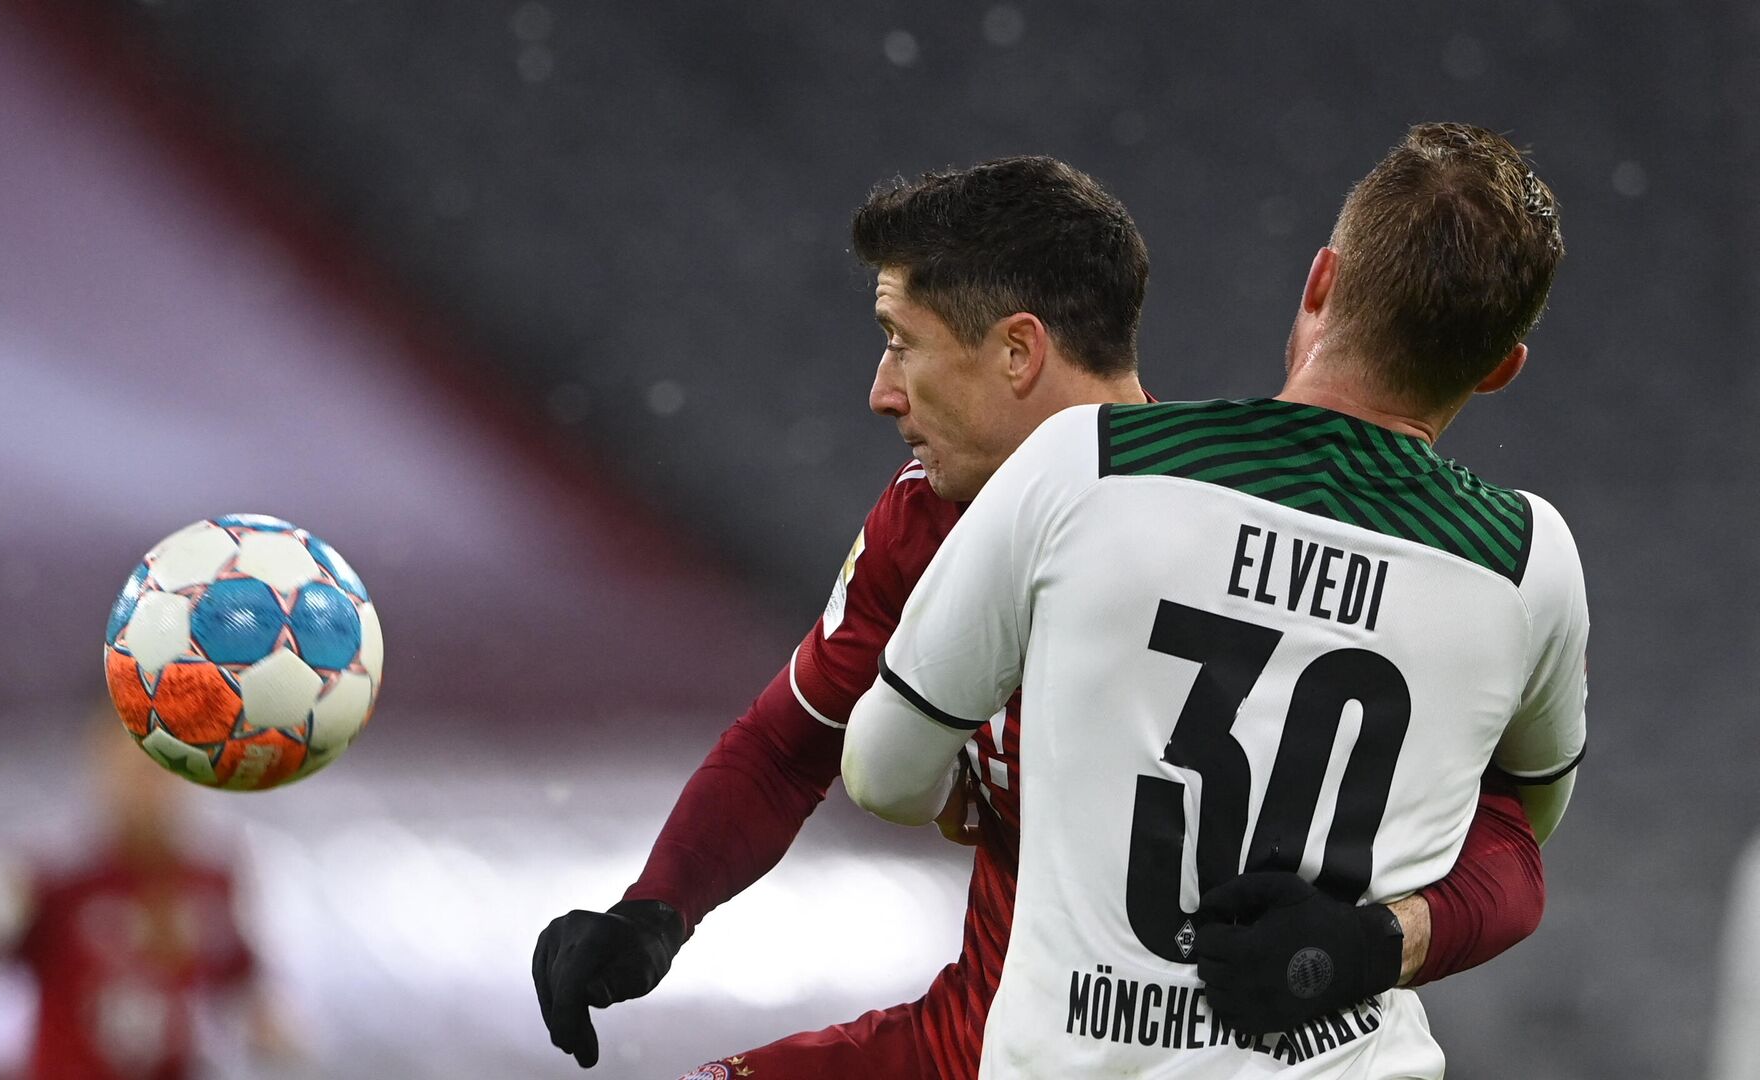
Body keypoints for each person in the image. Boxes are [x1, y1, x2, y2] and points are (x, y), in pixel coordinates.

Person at [533, 153, 1548, 1078]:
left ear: (1019, 352)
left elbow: (1503, 841)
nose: (882, 392)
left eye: (903, 344)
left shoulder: (1217, 544)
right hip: (977, 1040)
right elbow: (793, 740)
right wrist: (654, 912)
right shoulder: (923, 522)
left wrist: (1387, 937)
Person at [841, 123, 1584, 1077]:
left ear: (1320, 281)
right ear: (1501, 367)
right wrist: (1374, 941)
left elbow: (881, 772)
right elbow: (1519, 835)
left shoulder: (1087, 464)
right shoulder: (1527, 560)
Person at [0, 717, 284, 1080]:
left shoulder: (210, 879)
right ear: (101, 772)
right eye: (134, 772)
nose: (150, 790)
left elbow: (244, 984)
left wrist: (266, 1028)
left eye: (164, 771)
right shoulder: (50, 879)